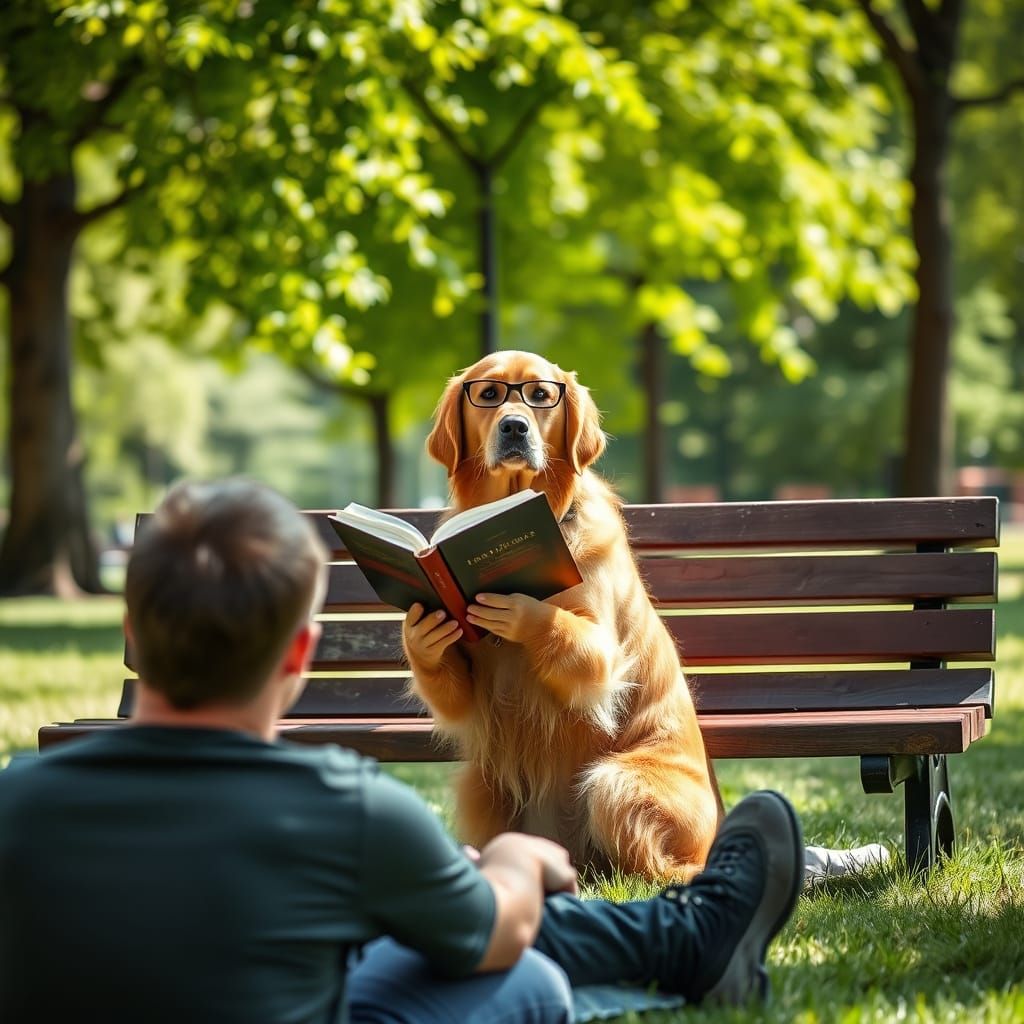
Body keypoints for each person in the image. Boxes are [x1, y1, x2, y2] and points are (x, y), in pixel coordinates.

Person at [0, 479, 805, 1024]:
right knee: (520, 972)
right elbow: (491, 933)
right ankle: (693, 938)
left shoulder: (17, 800)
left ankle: (694, 938)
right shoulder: (342, 807)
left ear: (131, 635)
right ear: (298, 654)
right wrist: (515, 864)